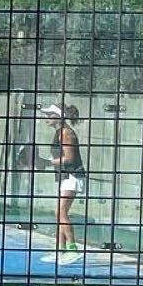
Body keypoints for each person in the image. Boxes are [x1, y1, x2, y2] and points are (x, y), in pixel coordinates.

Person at [42, 102, 86, 251]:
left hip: (73, 176)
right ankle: (61, 249)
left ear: (59, 116)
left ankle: (72, 247)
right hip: (65, 177)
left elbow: (69, 158)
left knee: (61, 213)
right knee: (59, 213)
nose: (47, 117)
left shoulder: (66, 133)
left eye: (50, 114)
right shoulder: (59, 132)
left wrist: (48, 162)